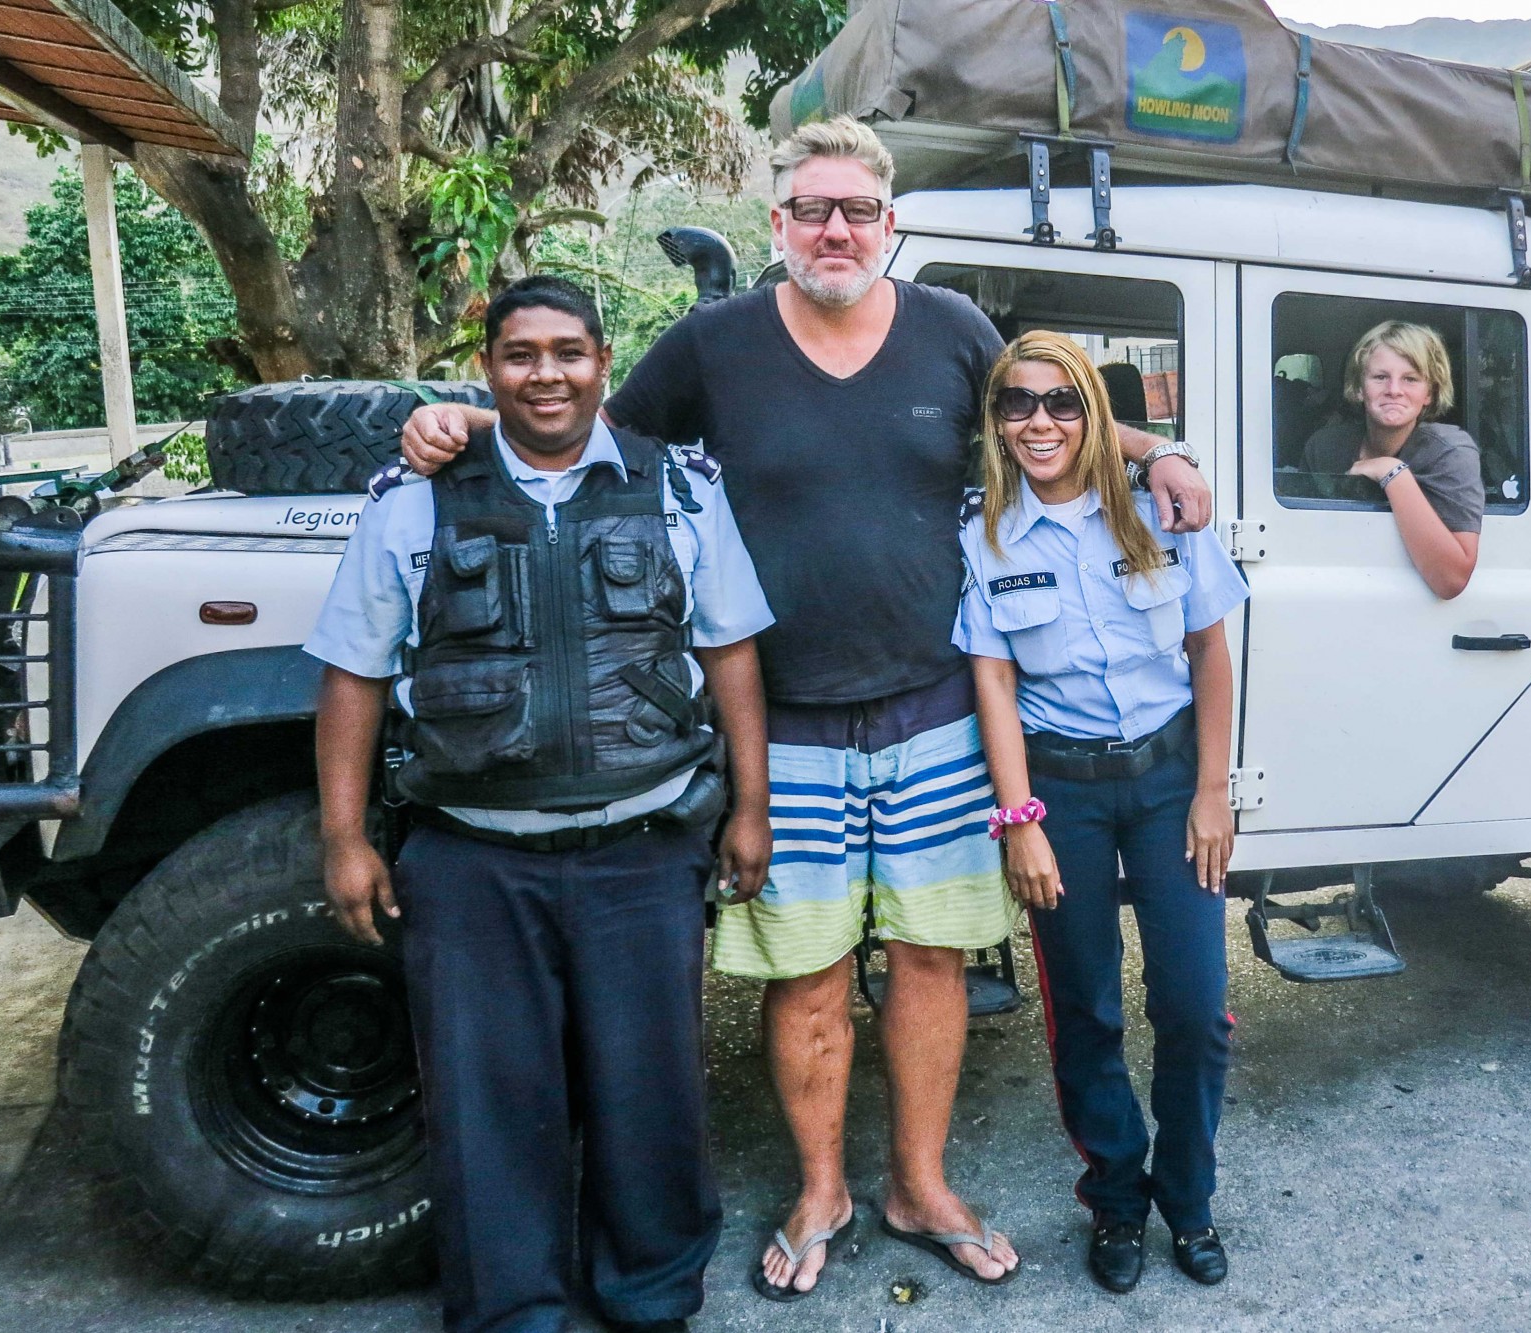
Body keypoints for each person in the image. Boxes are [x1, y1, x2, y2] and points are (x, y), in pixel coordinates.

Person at [398, 117, 1214, 1298]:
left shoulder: (950, 332)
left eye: (858, 211)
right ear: (775, 223)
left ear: (891, 226)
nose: (836, 228)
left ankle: (917, 1185)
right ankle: (823, 1185)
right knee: (810, 973)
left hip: (936, 705)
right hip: (781, 722)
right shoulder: (711, 344)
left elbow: (1055, 416)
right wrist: (467, 420)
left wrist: (1161, 455)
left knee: (933, 960)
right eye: (811, 209)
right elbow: (586, 434)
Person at [308, 275, 776, 1333]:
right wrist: (344, 838)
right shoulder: (412, 498)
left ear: (604, 364)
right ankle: (511, 1310)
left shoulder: (680, 489)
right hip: (472, 858)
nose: (545, 372)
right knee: (485, 1104)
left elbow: (730, 645)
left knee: (648, 1090)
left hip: (642, 849)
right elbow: (352, 672)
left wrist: (750, 805)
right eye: (520, 353)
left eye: (568, 351)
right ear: (487, 367)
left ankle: (650, 1292)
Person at [956, 330, 1248, 1294]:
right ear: (997, 421)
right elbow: (993, 682)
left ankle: (1190, 1199)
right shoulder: (984, 531)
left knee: (1196, 1008)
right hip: (1064, 792)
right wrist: (1019, 817)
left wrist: (1214, 791)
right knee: (1083, 1008)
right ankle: (1118, 1199)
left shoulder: (1162, 511)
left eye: (1062, 403)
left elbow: (1209, 652)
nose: (1040, 422)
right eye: (1018, 404)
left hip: (1171, 786)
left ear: (1093, 413)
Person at [1302, 321, 1482, 598]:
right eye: (1380, 377)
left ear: (1429, 394)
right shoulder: (1325, 447)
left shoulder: (1450, 452)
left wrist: (1391, 472)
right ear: (1359, 388)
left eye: (1410, 379)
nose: (1394, 390)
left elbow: (1452, 580)